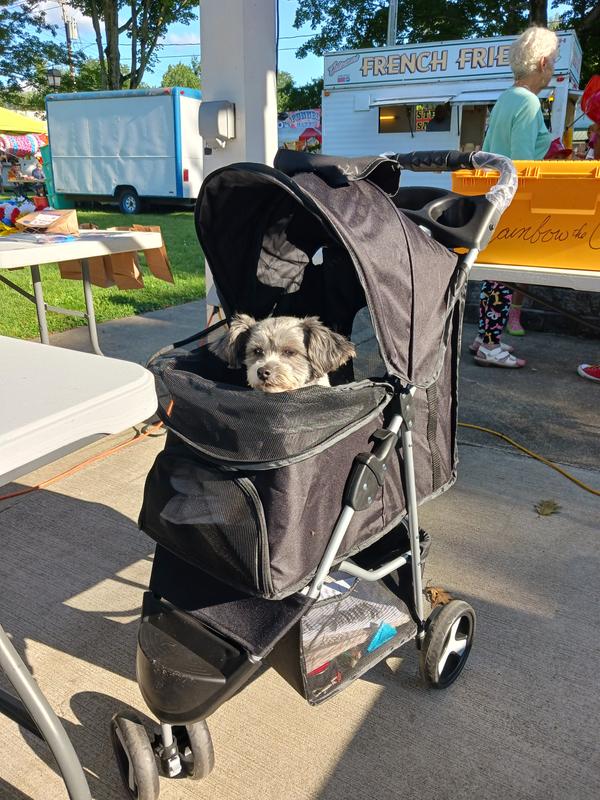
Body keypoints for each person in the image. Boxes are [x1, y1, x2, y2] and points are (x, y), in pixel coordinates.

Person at [472, 26, 558, 368]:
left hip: (493, 197)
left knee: (496, 271)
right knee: (503, 274)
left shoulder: (508, 97)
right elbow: (523, 163)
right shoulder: (528, 102)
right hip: (513, 200)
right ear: (541, 63)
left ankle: (484, 338)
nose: (553, 67)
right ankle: (490, 344)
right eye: (552, 61)